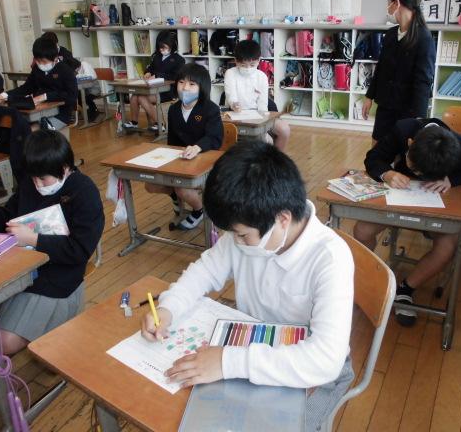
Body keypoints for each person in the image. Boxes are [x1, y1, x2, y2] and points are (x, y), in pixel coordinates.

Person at [141, 141, 354, 432]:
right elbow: (203, 272)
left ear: (282, 219)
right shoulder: (249, 229)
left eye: (241, 235)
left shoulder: (330, 258)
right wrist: (168, 308)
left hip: (311, 371)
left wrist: (228, 362)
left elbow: (325, 360)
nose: (235, 241)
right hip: (252, 344)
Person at [0, 130, 104, 354]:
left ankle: (56, 328)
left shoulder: (84, 192)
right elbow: (8, 213)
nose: (38, 184)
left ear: (64, 169)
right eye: (33, 178)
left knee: (2, 342)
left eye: (43, 179)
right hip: (21, 267)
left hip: (59, 276)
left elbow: (79, 250)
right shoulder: (31, 182)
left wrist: (34, 239)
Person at [354, 118, 461, 326]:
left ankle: (405, 289)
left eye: (424, 174)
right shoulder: (403, 130)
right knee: (362, 230)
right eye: (414, 169)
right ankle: (366, 279)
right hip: (398, 198)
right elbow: (373, 158)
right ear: (410, 143)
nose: (418, 175)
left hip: (437, 205)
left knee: (447, 246)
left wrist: (452, 179)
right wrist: (388, 173)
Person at [144, 63, 222, 230]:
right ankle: (175, 195)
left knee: (181, 186)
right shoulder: (173, 109)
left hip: (205, 158)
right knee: (150, 184)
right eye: (181, 82)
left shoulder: (210, 109)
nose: (185, 88)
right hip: (181, 159)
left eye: (192, 84)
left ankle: (199, 210)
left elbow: (214, 138)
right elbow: (172, 141)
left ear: (202, 87)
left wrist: (197, 147)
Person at [362, 0, 436, 143]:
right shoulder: (390, 34)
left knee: (400, 154)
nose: (388, 7)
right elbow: (381, 68)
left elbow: (423, 83)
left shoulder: (424, 38)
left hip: (407, 112)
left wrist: (418, 122)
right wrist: (369, 96)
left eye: (389, 3)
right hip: (385, 107)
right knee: (376, 151)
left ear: (397, 3)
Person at [0, 37, 78, 129]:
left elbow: (72, 95)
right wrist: (3, 95)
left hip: (61, 114)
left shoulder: (65, 70)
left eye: (44, 61)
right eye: (38, 61)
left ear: (55, 58)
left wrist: (44, 96)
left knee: (31, 130)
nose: (40, 64)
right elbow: (26, 88)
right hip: (38, 111)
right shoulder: (37, 69)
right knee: (10, 125)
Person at [224, 39, 290, 151]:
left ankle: (276, 158)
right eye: (243, 65)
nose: (248, 69)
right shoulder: (230, 73)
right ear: (236, 61)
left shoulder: (261, 76)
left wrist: (263, 123)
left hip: (258, 114)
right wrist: (234, 104)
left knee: (284, 129)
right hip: (236, 115)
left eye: (252, 65)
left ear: (259, 61)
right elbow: (231, 96)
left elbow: (262, 103)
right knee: (261, 140)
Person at [125, 31, 185, 131]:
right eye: (160, 47)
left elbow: (175, 77)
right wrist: (147, 72)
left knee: (141, 98)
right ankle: (134, 122)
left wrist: (157, 75)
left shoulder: (179, 60)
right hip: (153, 88)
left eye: (164, 47)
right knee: (135, 96)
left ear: (172, 45)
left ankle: (160, 124)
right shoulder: (156, 57)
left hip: (168, 91)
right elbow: (150, 68)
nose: (161, 50)